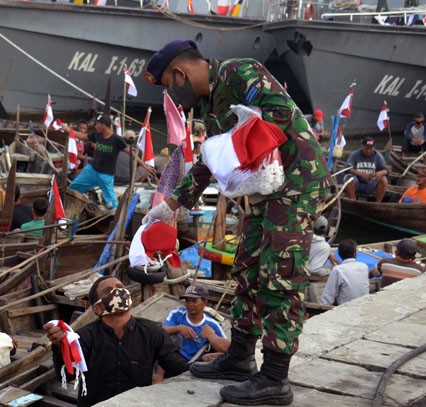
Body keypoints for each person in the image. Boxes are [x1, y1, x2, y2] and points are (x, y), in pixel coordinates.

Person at [142, 39, 332, 405]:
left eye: (169, 83)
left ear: (180, 72)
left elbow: (278, 111)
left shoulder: (239, 72)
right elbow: (209, 161)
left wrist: (231, 140)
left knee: (279, 276)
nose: (172, 92)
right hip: (263, 192)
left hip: (295, 183)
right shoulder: (211, 105)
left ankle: (275, 377)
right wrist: (172, 205)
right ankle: (241, 357)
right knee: (246, 269)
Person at [44, 276, 188, 406]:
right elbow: (69, 375)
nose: (117, 293)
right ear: (96, 308)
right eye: (108, 291)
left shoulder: (152, 333)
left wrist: (205, 367)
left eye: (120, 288)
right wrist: (59, 347)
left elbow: (177, 367)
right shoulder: (85, 336)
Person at [63, 115, 155, 210]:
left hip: (106, 175)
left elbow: (132, 154)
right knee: (72, 189)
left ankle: (115, 220)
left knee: (111, 204)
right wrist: (68, 130)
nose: (95, 126)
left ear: (104, 125)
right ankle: (67, 207)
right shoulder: (96, 135)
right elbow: (83, 136)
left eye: (97, 124)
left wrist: (145, 166)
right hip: (92, 170)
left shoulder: (117, 139)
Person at [161, 284, 230, 363]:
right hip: (174, 357)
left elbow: (228, 349)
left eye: (194, 301)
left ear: (204, 303)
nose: (190, 304)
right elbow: (162, 330)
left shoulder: (212, 324)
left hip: (195, 362)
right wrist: (178, 328)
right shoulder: (176, 313)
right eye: (187, 300)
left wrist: (211, 336)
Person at [319, 240, 369, 306]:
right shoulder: (364, 266)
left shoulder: (337, 270)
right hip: (364, 304)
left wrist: (322, 306)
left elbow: (328, 297)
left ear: (339, 254)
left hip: (345, 307)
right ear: (355, 253)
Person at [344, 137, 389, 202]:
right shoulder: (355, 154)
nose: (368, 151)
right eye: (366, 148)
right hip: (357, 183)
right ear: (362, 147)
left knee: (384, 180)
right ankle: (352, 201)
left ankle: (377, 204)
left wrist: (380, 173)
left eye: (370, 148)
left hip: (371, 184)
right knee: (348, 178)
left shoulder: (378, 156)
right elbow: (347, 168)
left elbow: (386, 170)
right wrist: (362, 174)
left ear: (374, 147)